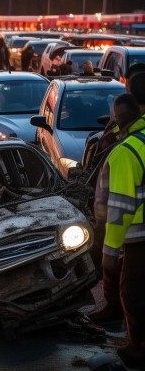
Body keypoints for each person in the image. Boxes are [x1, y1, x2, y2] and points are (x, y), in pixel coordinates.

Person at [90, 92, 145, 369]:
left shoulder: (126, 151)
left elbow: (120, 207)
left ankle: (140, 349)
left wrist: (109, 251)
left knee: (132, 293)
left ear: (117, 118)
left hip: (138, 238)